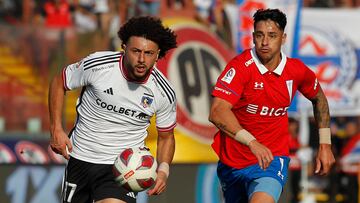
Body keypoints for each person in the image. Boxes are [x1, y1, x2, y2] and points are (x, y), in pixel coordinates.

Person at [208, 8, 335, 203]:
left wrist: (325, 144)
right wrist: (252, 142)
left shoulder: (296, 70)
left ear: (283, 38)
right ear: (253, 37)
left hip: (272, 161)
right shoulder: (240, 67)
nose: (265, 42)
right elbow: (217, 111)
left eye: (272, 36)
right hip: (233, 163)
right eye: (260, 35)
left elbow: (319, 99)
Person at [48, 16, 177, 203]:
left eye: (149, 53)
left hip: (123, 168)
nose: (142, 59)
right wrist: (56, 129)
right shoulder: (99, 66)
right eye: (136, 51)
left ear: (158, 55)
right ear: (123, 48)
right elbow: (59, 82)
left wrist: (163, 171)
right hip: (81, 158)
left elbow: (166, 137)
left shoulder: (163, 91)